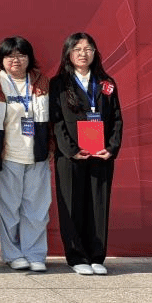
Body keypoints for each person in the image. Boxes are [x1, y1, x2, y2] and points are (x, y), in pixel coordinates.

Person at [50, 32, 123, 275]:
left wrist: (111, 148)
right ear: (68, 53)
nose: (83, 53)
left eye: (88, 49)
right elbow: (56, 121)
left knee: (98, 204)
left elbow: (117, 119)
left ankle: (96, 256)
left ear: (95, 53)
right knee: (72, 204)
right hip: (71, 156)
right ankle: (76, 257)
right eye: (78, 49)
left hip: (100, 155)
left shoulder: (106, 83)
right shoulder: (59, 83)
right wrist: (71, 150)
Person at [0, 36, 51, 272]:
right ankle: (12, 254)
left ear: (29, 58)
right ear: (1, 59)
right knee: (8, 210)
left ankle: (35, 254)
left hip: (37, 155)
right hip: (8, 155)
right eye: (9, 56)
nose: (16, 60)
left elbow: (53, 119)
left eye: (21, 55)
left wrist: (50, 147)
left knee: (37, 210)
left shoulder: (42, 82)